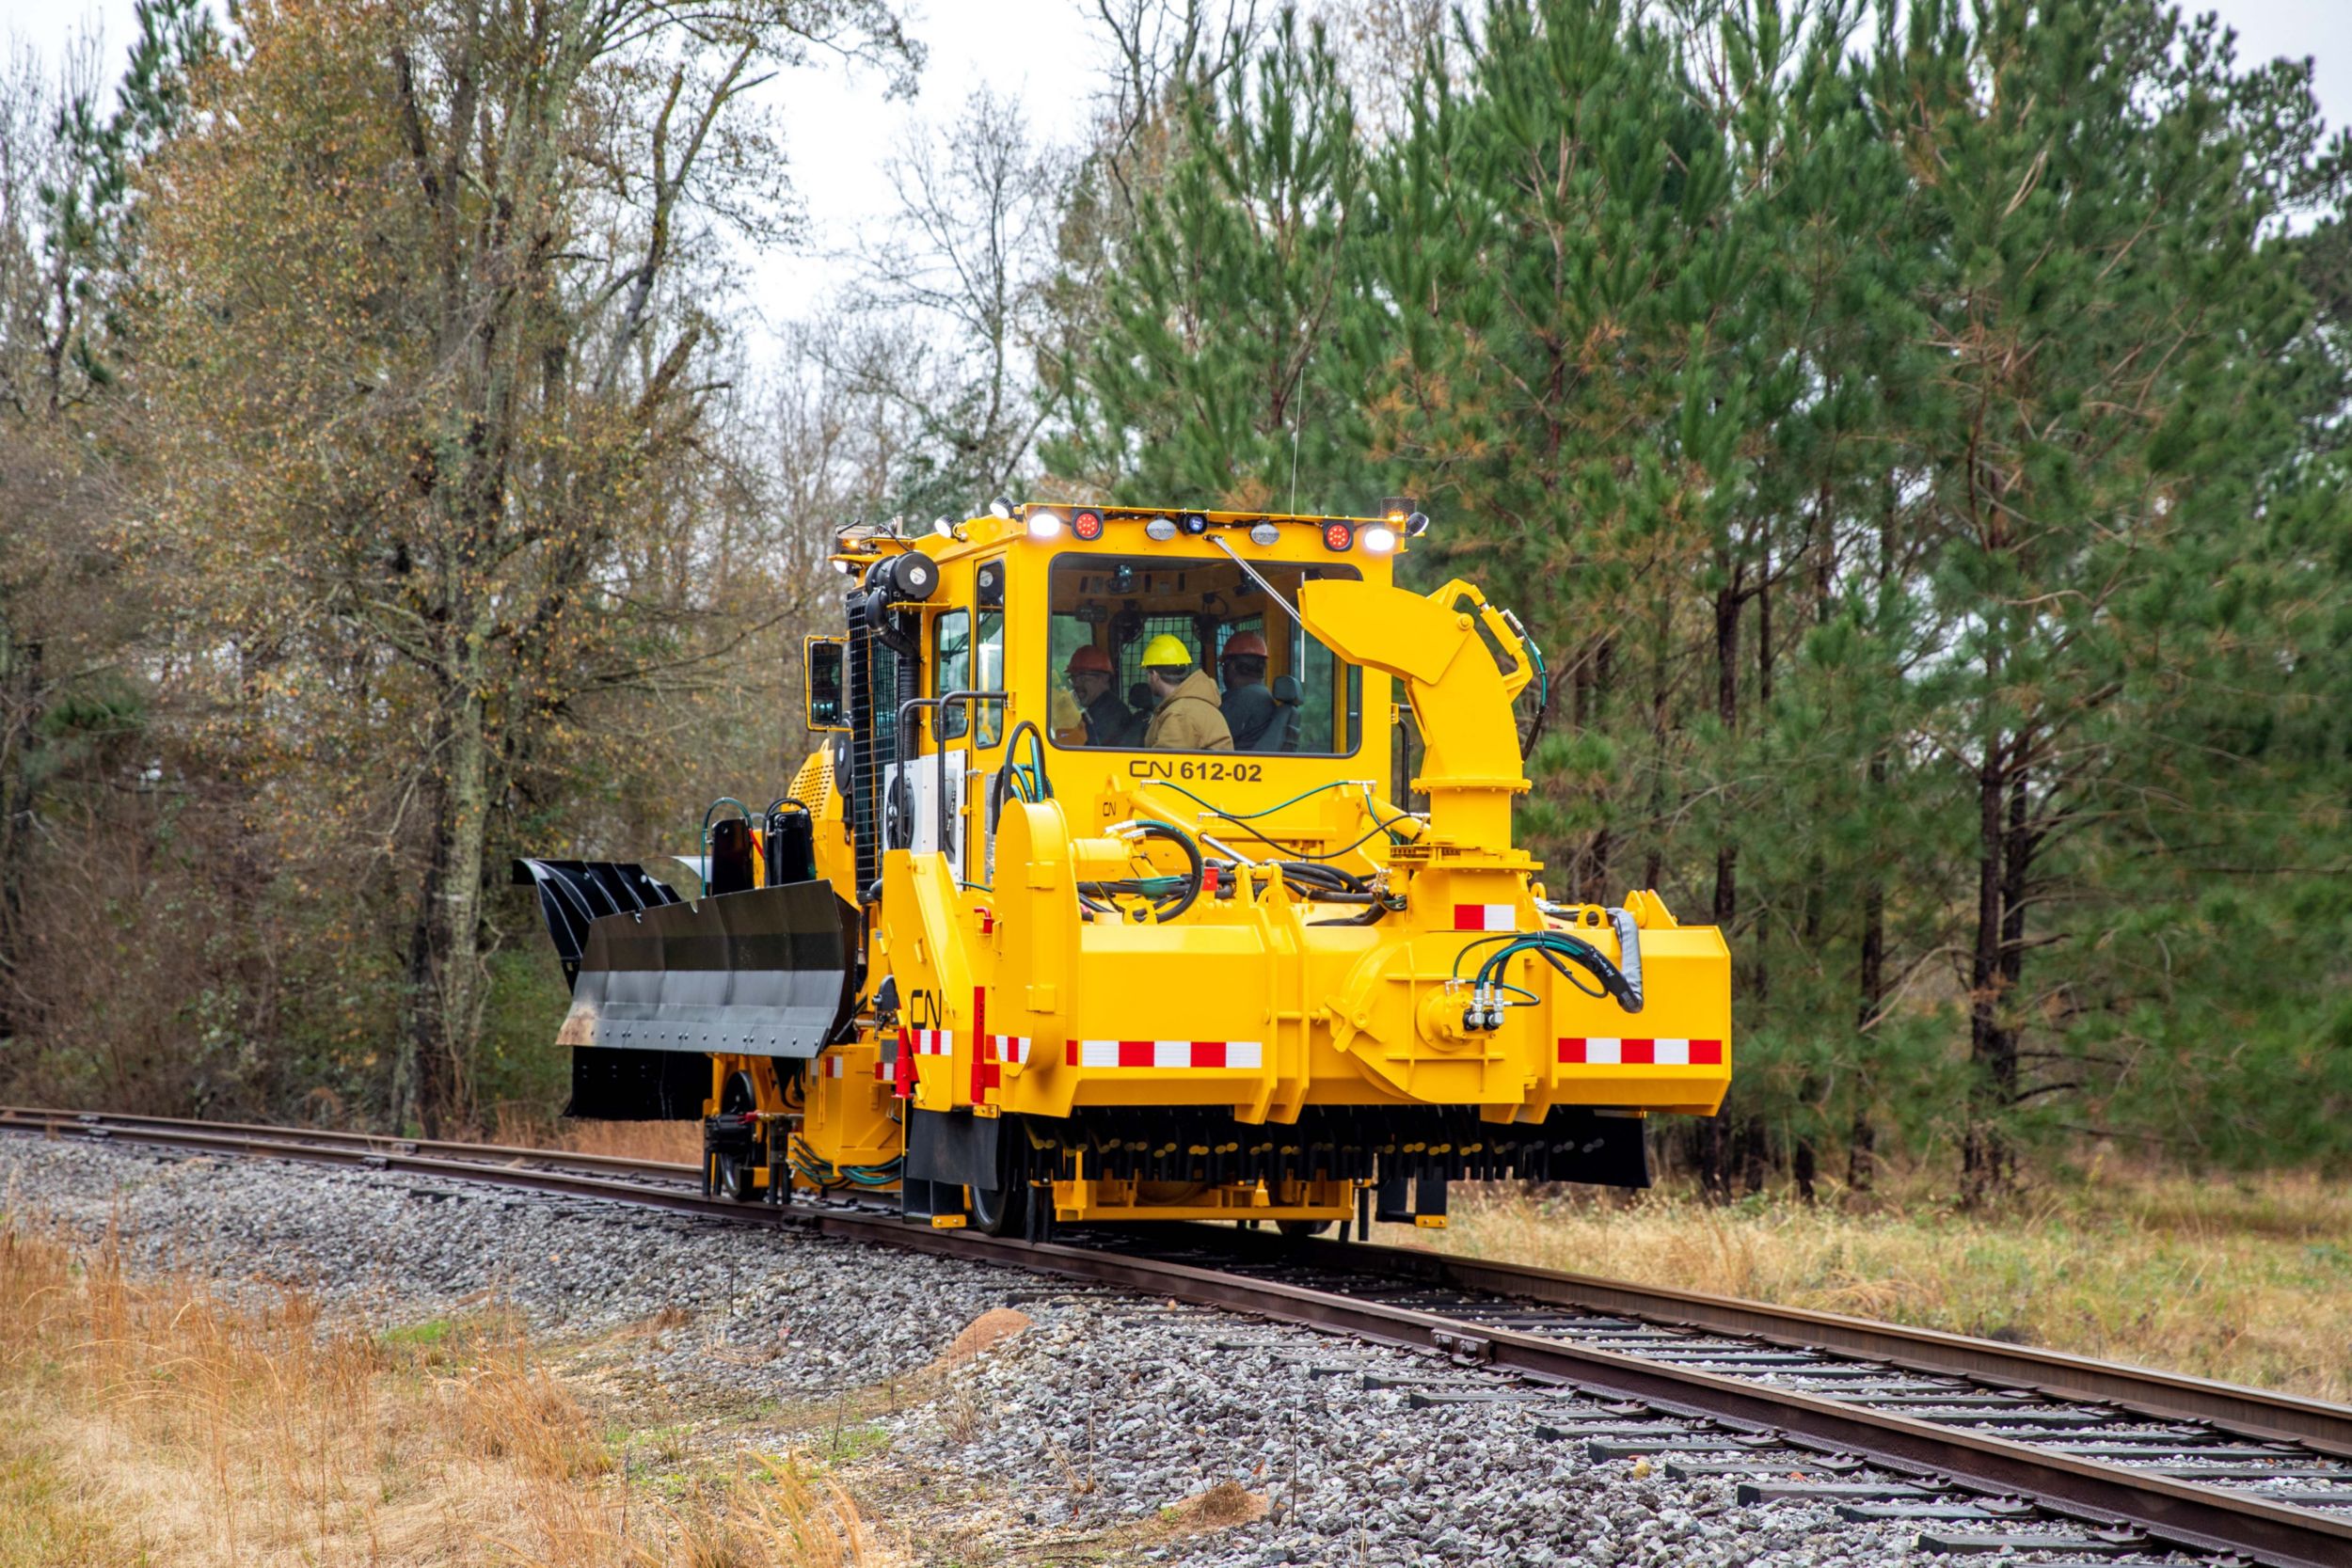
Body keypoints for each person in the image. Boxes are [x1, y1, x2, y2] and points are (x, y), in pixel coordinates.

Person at [1138, 634, 1232, 751]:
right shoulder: (1193, 704)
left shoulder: (1180, 714)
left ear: (1154, 675)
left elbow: (1166, 765)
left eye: (1147, 674)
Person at [1064, 643, 1136, 747]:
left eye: (1083, 677)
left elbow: (1083, 749)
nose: (1076, 684)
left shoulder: (1110, 713)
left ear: (1104, 678)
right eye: (1073, 678)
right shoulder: (1096, 710)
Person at [1217, 630, 1276, 750]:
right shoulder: (1263, 695)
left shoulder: (1239, 700)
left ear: (1232, 666)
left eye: (1223, 665)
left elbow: (1209, 739)